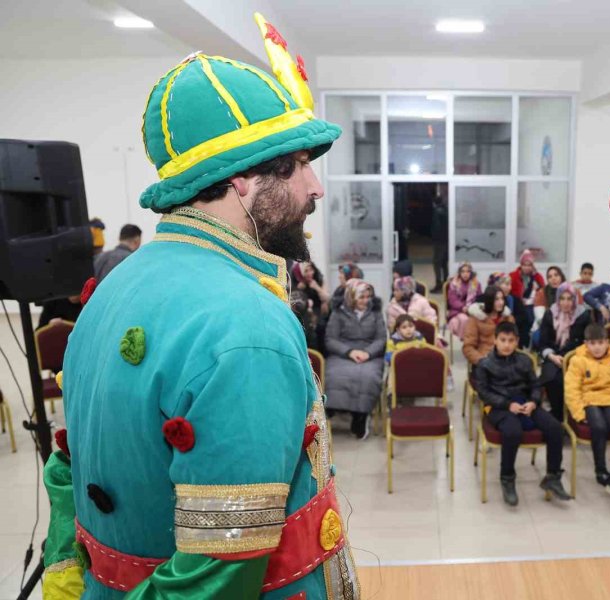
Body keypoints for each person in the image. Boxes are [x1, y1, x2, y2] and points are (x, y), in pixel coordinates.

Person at [41, 15, 358, 599]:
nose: (316, 188)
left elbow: (63, 471)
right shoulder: (248, 326)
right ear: (241, 182)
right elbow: (219, 567)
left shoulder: (113, 285)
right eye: (296, 168)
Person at [472, 321, 572, 507]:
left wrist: (534, 402)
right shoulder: (485, 364)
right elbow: (483, 392)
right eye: (503, 340)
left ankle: (553, 476)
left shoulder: (525, 360)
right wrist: (507, 404)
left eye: (511, 340)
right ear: (495, 340)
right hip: (498, 407)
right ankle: (507, 478)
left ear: (517, 341)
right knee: (512, 431)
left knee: (555, 428)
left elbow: (535, 385)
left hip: (525, 403)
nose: (507, 344)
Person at [564, 323, 610, 496]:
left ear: (607, 342)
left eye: (601, 343)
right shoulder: (577, 360)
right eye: (593, 343)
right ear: (586, 343)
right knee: (599, 427)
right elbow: (572, 389)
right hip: (590, 401)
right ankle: (600, 469)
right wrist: (579, 413)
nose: (597, 347)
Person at [325, 278, 386, 439]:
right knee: (334, 375)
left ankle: (360, 415)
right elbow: (330, 339)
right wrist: (349, 352)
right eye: (362, 297)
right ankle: (340, 410)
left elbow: (381, 339)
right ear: (351, 297)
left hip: (369, 354)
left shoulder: (375, 313)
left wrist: (368, 353)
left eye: (368, 297)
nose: (366, 301)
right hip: (343, 353)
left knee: (369, 376)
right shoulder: (338, 313)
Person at [534, 282, 591, 421]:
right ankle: (558, 415)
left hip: (575, 357)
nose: (566, 303)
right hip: (553, 356)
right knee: (553, 379)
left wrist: (567, 357)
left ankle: (572, 415)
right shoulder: (550, 314)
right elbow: (543, 342)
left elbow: (586, 342)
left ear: (575, 300)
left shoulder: (583, 315)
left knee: (569, 379)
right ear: (558, 299)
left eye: (570, 299)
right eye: (562, 298)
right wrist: (552, 356)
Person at [462, 285, 514, 366]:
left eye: (502, 299)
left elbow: (514, 342)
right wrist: (482, 361)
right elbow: (468, 347)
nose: (501, 302)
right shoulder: (476, 318)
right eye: (497, 299)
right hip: (485, 361)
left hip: (506, 361)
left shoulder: (508, 318)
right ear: (489, 300)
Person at [509, 249, 545, 344]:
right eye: (524, 265)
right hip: (518, 304)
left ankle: (532, 341)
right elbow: (509, 292)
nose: (527, 268)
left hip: (534, 304)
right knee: (524, 316)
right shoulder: (513, 276)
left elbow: (543, 291)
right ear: (521, 265)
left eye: (529, 265)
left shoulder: (537, 277)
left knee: (535, 317)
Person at [488, 272, 529, 349]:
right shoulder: (484, 302)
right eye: (506, 284)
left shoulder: (514, 300)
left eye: (510, 284)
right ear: (496, 285)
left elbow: (524, 319)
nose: (509, 287)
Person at [446, 262, 481, 340]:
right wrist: (463, 307)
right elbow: (452, 300)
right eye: (463, 271)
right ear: (459, 272)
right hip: (457, 310)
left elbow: (479, 299)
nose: (465, 274)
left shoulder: (476, 284)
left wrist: (471, 308)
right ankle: (467, 341)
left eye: (468, 271)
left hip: (472, 311)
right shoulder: (454, 284)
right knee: (464, 319)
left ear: (471, 273)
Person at [431, 196, 449, 293]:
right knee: (444, 262)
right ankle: (446, 282)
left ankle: (438, 284)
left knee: (436, 262)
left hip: (439, 241)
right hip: (447, 240)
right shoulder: (447, 210)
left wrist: (434, 238)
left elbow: (436, 227)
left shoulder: (437, 212)